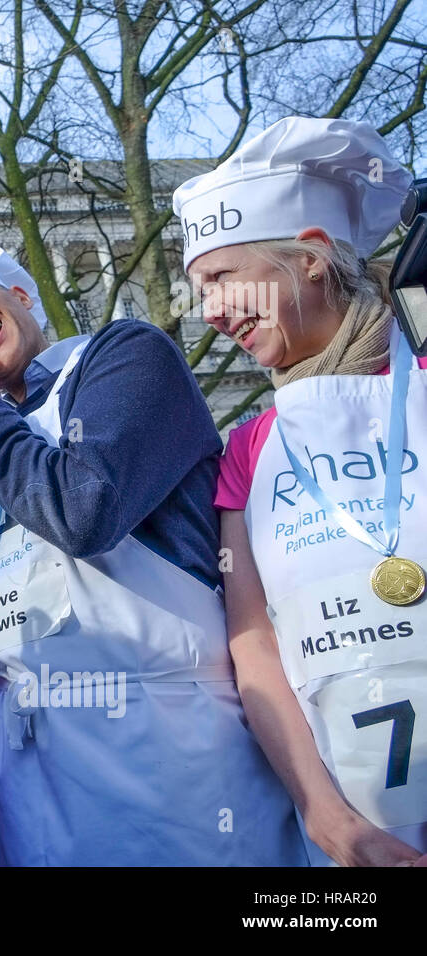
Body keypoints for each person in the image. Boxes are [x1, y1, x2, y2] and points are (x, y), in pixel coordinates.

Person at [0, 241, 307, 865]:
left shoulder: (124, 353)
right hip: (33, 779)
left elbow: (84, 511)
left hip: (163, 750)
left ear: (22, 296)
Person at [175, 116, 426, 866]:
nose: (210, 313)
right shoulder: (247, 449)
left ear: (311, 257)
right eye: (197, 291)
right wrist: (324, 814)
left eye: (221, 279)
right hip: (358, 831)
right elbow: (254, 644)